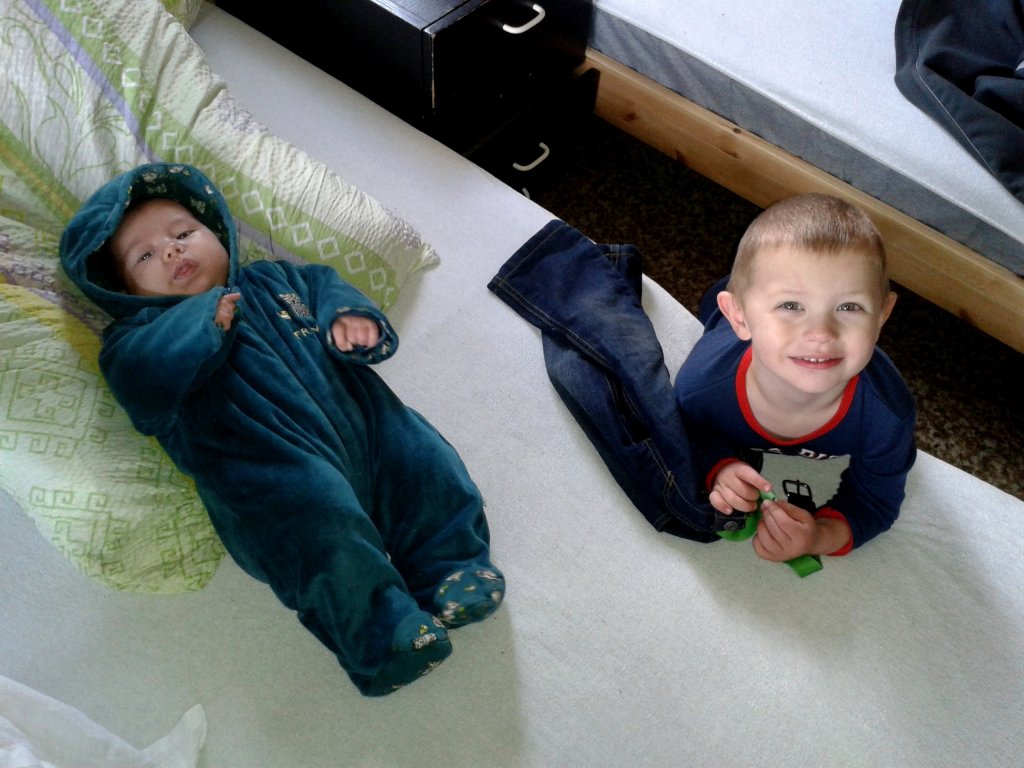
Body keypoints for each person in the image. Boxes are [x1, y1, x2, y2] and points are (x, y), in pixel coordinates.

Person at [60, 163, 504, 696]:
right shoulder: (135, 339)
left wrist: (349, 318)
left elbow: (324, 286)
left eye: (182, 233)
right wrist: (199, 323)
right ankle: (384, 637)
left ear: (217, 232)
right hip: (274, 475)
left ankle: (450, 569)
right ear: (124, 288)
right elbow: (143, 385)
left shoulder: (274, 280)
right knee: (320, 537)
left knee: (426, 462)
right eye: (145, 256)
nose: (172, 251)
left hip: (367, 427)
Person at [675, 194, 917, 562]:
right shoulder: (701, 387)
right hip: (722, 318)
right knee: (717, 299)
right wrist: (719, 466)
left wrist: (820, 536)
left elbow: (876, 501)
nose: (821, 333)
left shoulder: (887, 418)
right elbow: (685, 435)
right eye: (791, 306)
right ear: (740, 316)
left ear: (882, 315)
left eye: (849, 307)